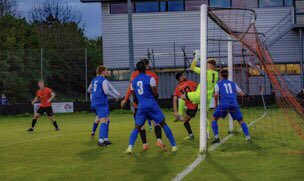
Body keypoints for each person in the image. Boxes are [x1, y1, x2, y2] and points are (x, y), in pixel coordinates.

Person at [125, 61, 177, 154]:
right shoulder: (151, 78)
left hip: (141, 106)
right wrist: (153, 99)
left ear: (137, 69)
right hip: (152, 105)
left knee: (137, 127)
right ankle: (174, 146)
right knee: (163, 123)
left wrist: (140, 102)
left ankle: (130, 147)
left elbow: (134, 97)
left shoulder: (133, 81)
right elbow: (155, 94)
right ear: (145, 68)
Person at [121, 58, 165, 151]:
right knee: (156, 122)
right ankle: (159, 140)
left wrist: (125, 99)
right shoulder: (153, 75)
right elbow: (154, 91)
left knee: (140, 125)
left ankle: (145, 144)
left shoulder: (134, 75)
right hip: (151, 104)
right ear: (147, 65)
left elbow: (130, 88)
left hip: (139, 105)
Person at [181, 51, 219, 138]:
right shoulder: (216, 74)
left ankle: (181, 113)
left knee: (183, 96)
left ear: (210, 65)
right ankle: (207, 133)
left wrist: (196, 58)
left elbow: (192, 67)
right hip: (208, 97)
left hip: (200, 95)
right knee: (205, 115)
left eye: (207, 64)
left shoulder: (205, 72)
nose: (206, 65)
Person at [211, 70, 250, 143]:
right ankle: (248, 138)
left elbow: (216, 95)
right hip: (234, 103)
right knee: (241, 121)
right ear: (228, 75)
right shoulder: (233, 83)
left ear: (220, 75)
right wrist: (232, 96)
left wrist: (215, 104)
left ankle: (216, 137)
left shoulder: (218, 84)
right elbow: (242, 94)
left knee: (214, 119)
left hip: (224, 104)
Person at [91, 65, 120, 146]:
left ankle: (106, 139)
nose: (107, 72)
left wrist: (96, 93)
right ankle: (100, 141)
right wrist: (115, 97)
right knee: (103, 121)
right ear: (102, 71)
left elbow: (89, 90)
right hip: (101, 103)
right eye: (106, 70)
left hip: (94, 103)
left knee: (107, 120)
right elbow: (107, 91)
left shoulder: (94, 80)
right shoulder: (103, 80)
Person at [173, 72, 198, 139]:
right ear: (180, 77)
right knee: (185, 120)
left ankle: (191, 135)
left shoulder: (177, 88)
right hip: (194, 104)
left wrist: (175, 111)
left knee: (184, 121)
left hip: (192, 107)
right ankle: (191, 135)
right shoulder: (189, 82)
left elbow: (174, 100)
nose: (185, 76)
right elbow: (198, 86)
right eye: (184, 75)